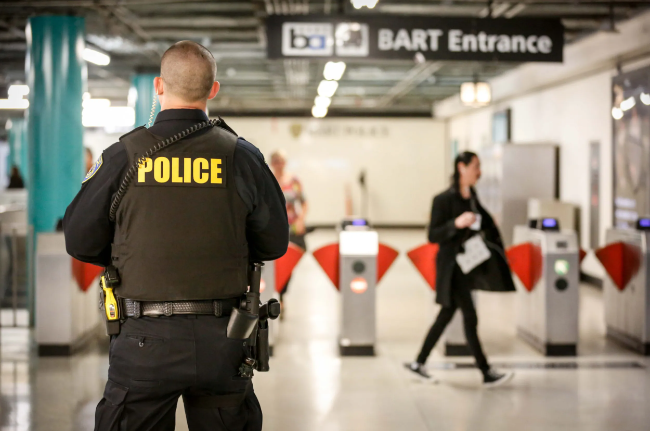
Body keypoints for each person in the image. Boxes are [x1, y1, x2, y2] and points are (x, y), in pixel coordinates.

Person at [63, 41, 288, 430]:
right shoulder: (242, 156)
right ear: (213, 90)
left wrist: (130, 256)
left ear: (158, 86)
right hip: (226, 338)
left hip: (143, 340)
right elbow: (274, 242)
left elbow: (79, 240)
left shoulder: (123, 156)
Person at [405, 151, 515, 388]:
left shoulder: (472, 196)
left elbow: (482, 221)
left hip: (467, 265)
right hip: (452, 267)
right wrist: (455, 224)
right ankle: (485, 371)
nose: (479, 172)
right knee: (469, 317)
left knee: (446, 315)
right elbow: (433, 234)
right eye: (475, 166)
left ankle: (419, 362)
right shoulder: (443, 200)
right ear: (461, 167)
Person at [269, 150, 308, 307]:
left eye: (281, 161)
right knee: (274, 262)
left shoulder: (293, 180)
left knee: (289, 262)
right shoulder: (268, 179)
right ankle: (274, 293)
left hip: (291, 227)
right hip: (272, 226)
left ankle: (282, 295)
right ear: (272, 163)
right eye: (276, 161)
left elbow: (304, 203)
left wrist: (301, 220)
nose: (279, 164)